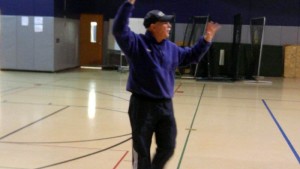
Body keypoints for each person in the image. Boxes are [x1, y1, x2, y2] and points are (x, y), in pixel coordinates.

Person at [113, 0, 221, 168]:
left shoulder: (171, 48)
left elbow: (192, 55)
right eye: (165, 23)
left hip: (165, 106)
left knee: (168, 146)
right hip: (142, 106)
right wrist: (128, 4)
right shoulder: (137, 45)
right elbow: (119, 30)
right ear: (152, 26)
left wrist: (206, 39)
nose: (169, 26)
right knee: (141, 151)